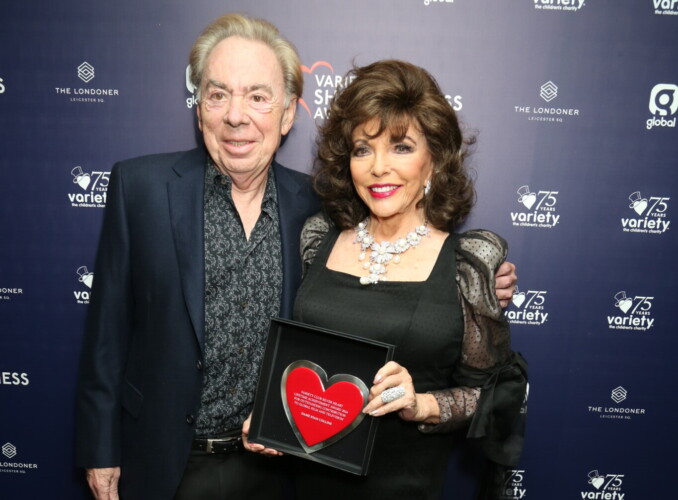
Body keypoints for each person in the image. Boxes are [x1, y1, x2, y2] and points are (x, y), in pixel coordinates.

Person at [74, 14, 517, 500]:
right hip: (165, 462)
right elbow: (106, 335)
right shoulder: (140, 188)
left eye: (257, 97)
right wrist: (100, 448)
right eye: (218, 95)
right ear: (199, 109)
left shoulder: (314, 209)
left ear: (287, 115)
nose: (236, 116)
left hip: (281, 471)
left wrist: (477, 286)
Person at [288, 60, 528, 499]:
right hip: (308, 485)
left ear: (433, 159)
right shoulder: (318, 238)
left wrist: (422, 404)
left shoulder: (467, 263)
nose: (379, 167)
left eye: (400, 147)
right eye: (363, 149)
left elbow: (494, 398)